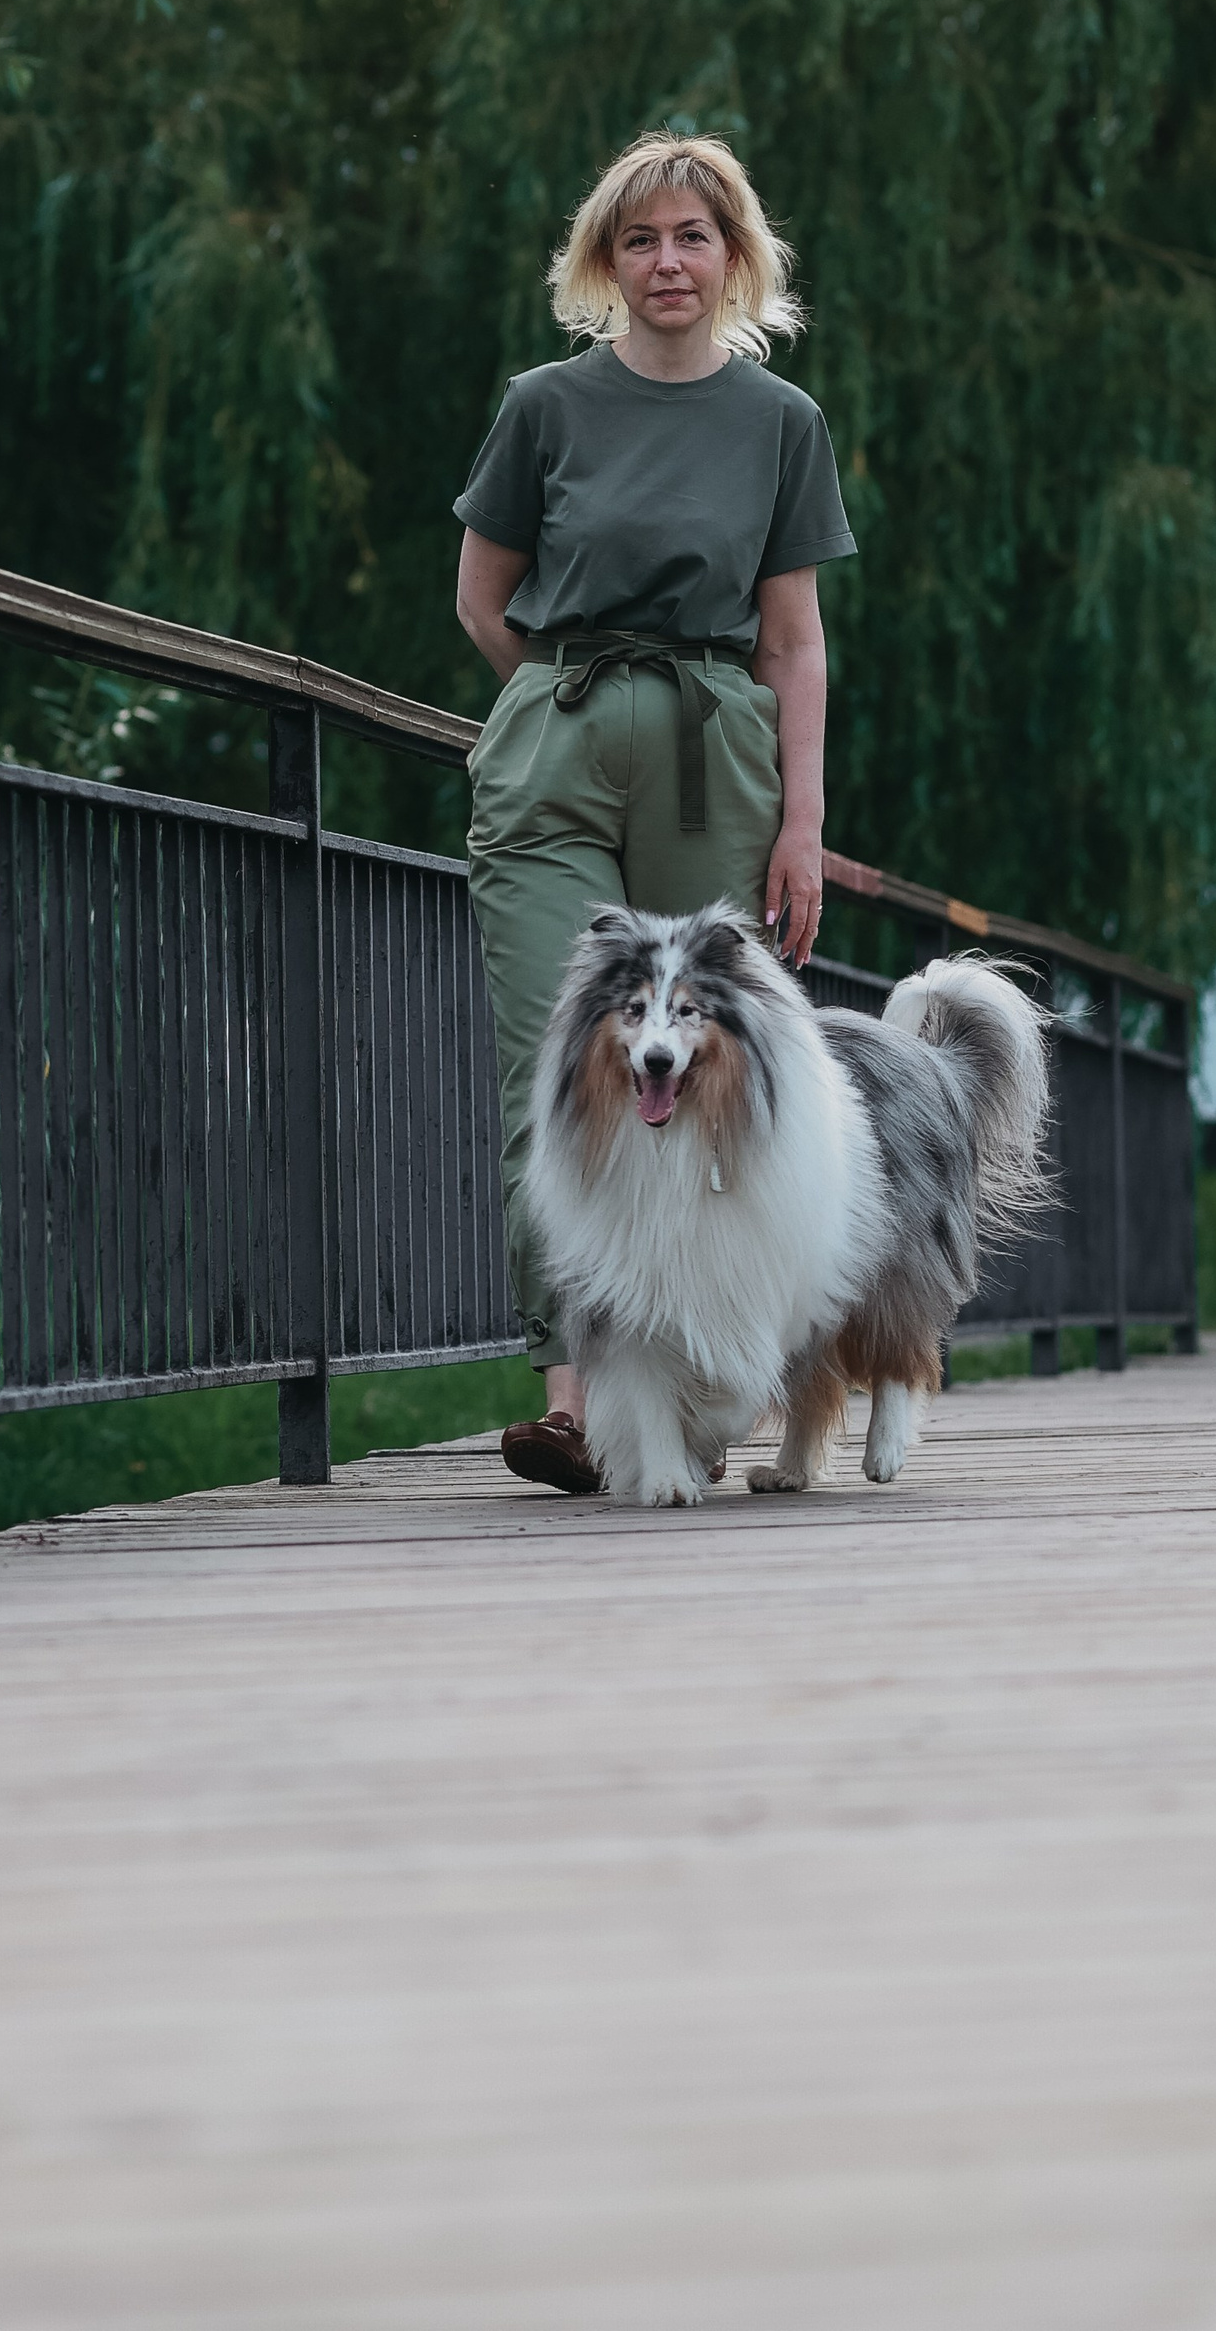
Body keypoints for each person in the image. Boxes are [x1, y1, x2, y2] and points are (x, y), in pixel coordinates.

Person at [453, 134, 856, 1492]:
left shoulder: (781, 424)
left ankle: (711, 1372)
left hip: (715, 757)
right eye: (640, 240)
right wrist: (564, 705)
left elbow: (794, 640)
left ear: (735, 256)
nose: (667, 262)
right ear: (603, 261)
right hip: (555, 749)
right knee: (560, 1064)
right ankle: (576, 1395)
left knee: (724, 1066)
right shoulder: (543, 406)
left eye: (693, 236)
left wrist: (801, 820)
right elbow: (480, 595)